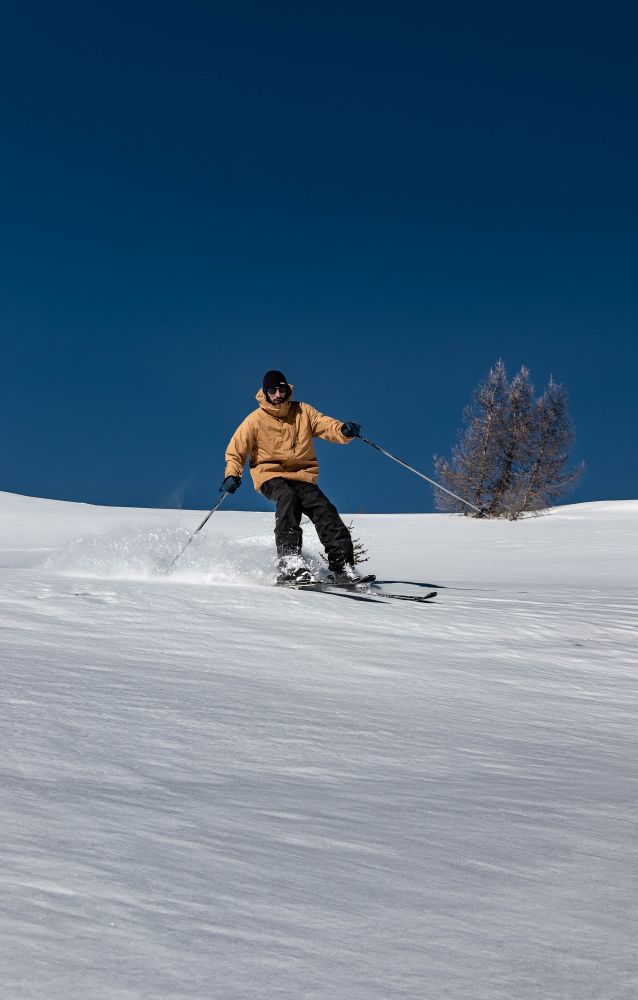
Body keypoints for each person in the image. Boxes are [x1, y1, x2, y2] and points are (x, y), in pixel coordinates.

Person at [221, 370, 373, 585]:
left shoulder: (303, 411)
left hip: (302, 476)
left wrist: (343, 430)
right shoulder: (254, 420)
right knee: (287, 497)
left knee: (324, 509)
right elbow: (236, 450)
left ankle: (343, 567)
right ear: (265, 393)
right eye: (272, 390)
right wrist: (232, 474)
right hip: (270, 474)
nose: (277, 394)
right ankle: (290, 562)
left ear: (287, 389)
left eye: (281, 389)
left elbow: (325, 425)